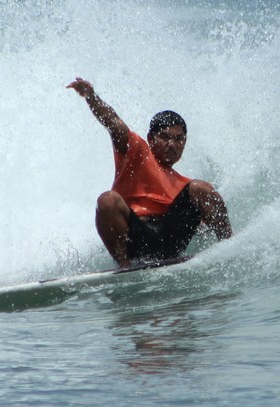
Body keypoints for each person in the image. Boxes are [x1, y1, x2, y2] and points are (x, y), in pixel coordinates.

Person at [67, 77, 232, 268]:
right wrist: (91, 97)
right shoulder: (138, 152)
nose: (172, 145)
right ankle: (124, 267)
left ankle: (229, 247)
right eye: (164, 137)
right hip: (136, 239)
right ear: (150, 139)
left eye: (179, 139)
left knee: (201, 187)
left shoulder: (186, 186)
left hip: (170, 244)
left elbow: (199, 221)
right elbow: (113, 124)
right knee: (107, 200)